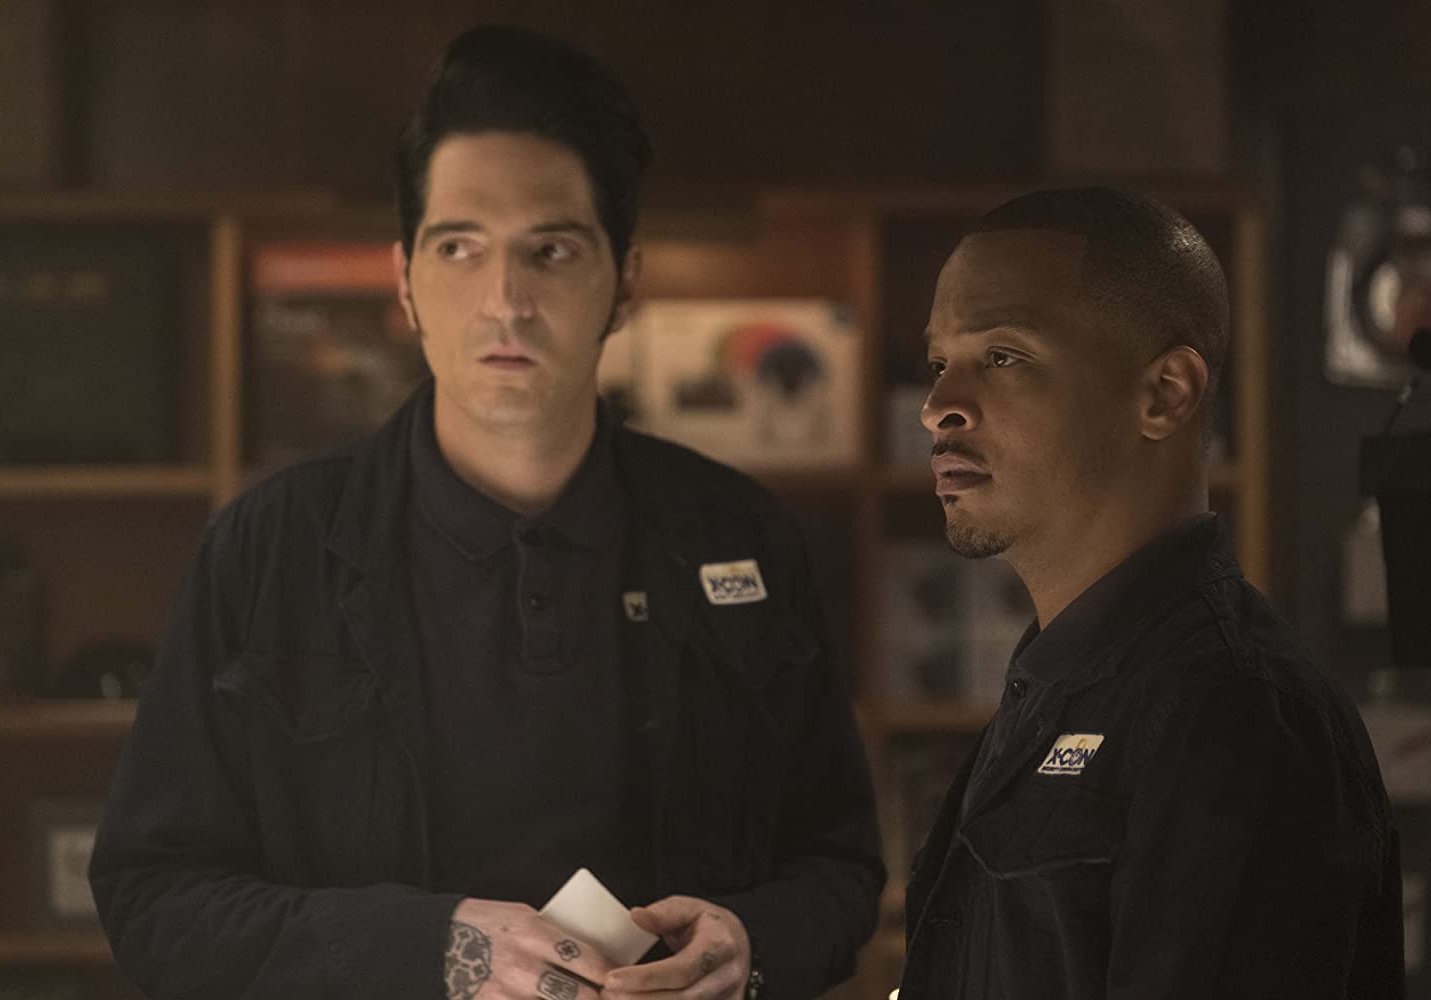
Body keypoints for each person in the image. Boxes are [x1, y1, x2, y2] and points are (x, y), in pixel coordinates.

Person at [89, 25, 883, 1000]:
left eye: (551, 249)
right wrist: (428, 947)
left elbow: (839, 864)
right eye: (459, 247)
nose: (504, 299)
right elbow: (153, 898)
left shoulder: (739, 534)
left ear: (624, 282)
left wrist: (748, 941)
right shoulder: (269, 548)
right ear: (404, 280)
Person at [897, 187, 1405, 998]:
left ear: (1164, 393)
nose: (937, 410)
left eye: (1002, 357)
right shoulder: (1058, 678)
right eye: (937, 365)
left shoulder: (1228, 710)